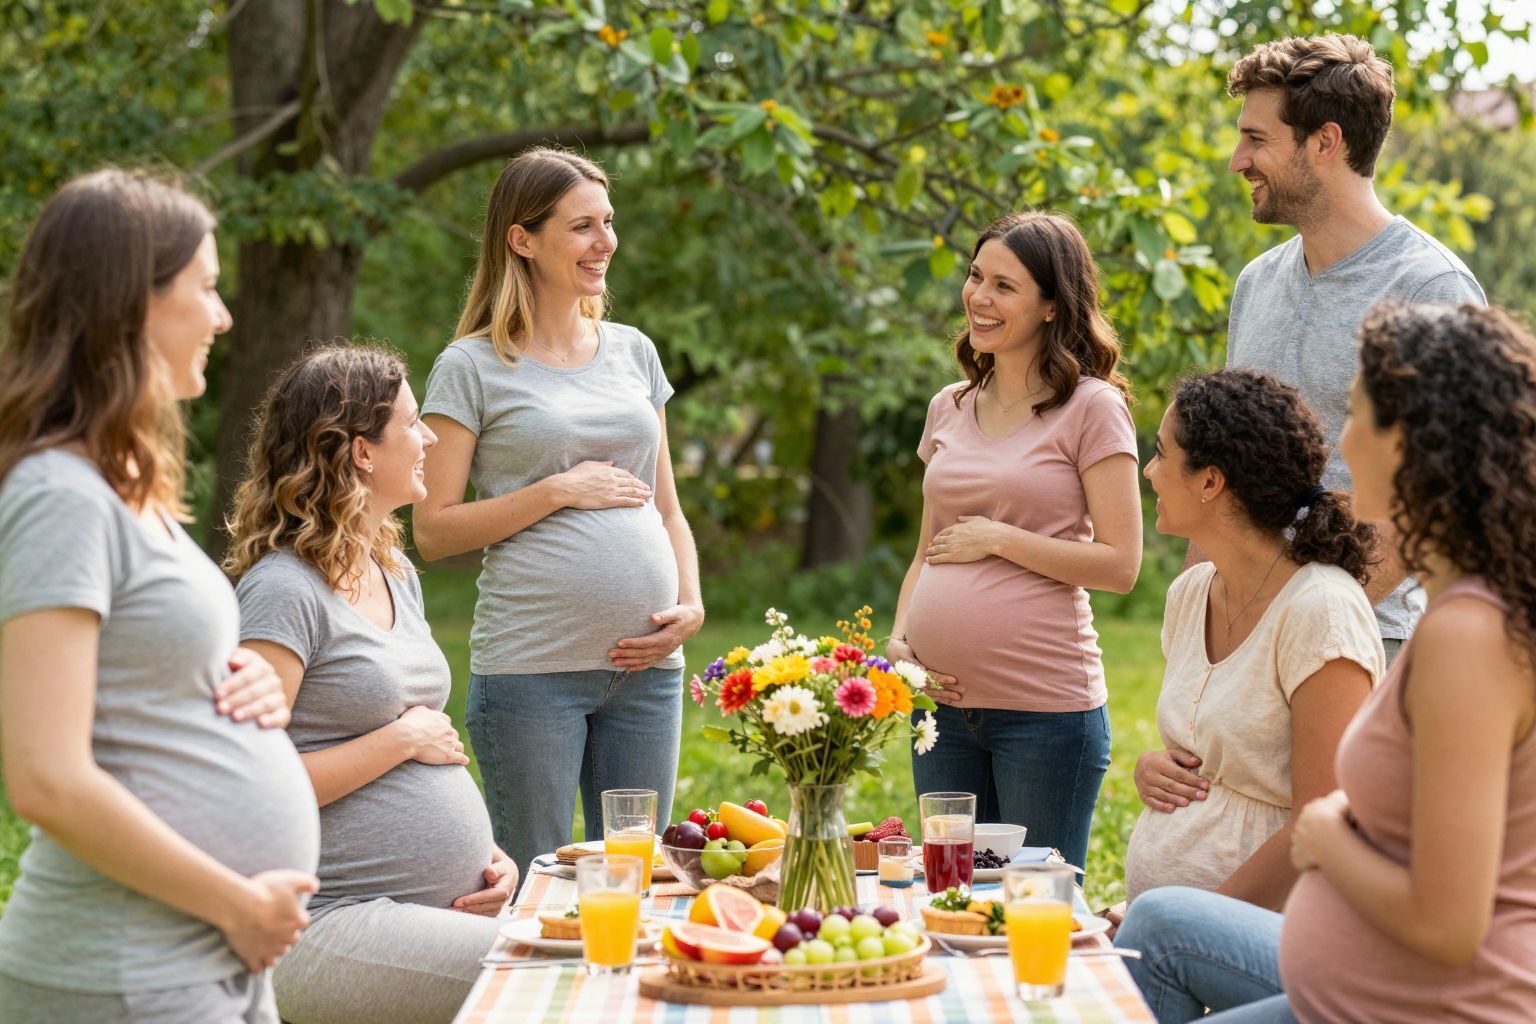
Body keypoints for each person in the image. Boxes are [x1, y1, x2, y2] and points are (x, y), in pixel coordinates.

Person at [1116, 303, 1536, 1024]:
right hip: (1359, 991)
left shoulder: (1466, 637)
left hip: (1429, 1010)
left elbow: (1447, 925)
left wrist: (1325, 837)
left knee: (1152, 937)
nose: (1342, 438)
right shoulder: (1464, 614)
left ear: (1411, 445)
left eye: (1359, 414)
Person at [0, 169, 320, 1023]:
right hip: (121, 969)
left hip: (195, 963)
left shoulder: (121, 487)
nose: (223, 316)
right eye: (207, 289)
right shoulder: (58, 494)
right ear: (132, 303)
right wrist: (237, 905)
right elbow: (44, 778)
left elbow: (140, 677)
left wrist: (234, 674)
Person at [414, 148, 702, 877]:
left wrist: (692, 604)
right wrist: (556, 491)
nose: (605, 242)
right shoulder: (471, 366)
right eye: (581, 226)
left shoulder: (634, 352)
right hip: (531, 673)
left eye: (608, 223)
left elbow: (669, 509)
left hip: (647, 671)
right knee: (534, 881)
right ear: (522, 239)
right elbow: (433, 528)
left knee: (638, 880)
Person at [225, 346, 515, 1024]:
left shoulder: (394, 572)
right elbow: (245, 785)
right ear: (360, 451)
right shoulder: (282, 590)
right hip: (322, 920)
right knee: (548, 964)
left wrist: (486, 857)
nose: (431, 438)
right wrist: (401, 739)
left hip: (420, 913)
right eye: (413, 424)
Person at [1216, 33, 1485, 662]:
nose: (1237, 160)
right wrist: (1210, 635)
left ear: (1325, 142)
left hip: (1367, 643)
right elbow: (1219, 467)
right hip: (1240, 639)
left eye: (1256, 139)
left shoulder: (1431, 289)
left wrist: (1306, 623)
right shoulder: (1255, 283)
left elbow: (1438, 494)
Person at [888, 210, 1143, 872]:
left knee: (1035, 905)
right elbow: (927, 553)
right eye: (976, 277)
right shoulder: (949, 405)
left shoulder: (1092, 408)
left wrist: (1001, 539)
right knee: (949, 894)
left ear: (1053, 306)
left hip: (1046, 715)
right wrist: (899, 642)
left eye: (1005, 286)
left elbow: (1121, 565)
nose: (979, 297)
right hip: (940, 712)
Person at [1123, 370, 1381, 910]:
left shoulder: (1320, 612)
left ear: (1210, 482)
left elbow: (1326, 817)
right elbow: (1213, 754)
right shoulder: (1191, 592)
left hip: (1267, 931)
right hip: (1166, 929)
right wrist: (1154, 767)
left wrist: (1183, 925)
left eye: (1160, 454)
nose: (1148, 472)